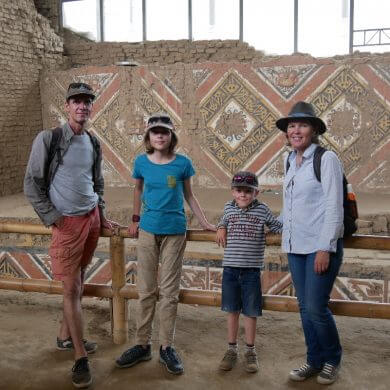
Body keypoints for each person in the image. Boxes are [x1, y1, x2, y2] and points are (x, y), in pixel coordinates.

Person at [24, 82, 118, 389]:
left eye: (87, 102)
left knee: (76, 284)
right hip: (67, 223)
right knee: (71, 288)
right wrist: (54, 219)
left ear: (91, 107)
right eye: (76, 101)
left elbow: (97, 182)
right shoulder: (49, 138)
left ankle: (65, 337)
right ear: (67, 106)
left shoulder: (92, 141)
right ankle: (80, 357)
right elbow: (32, 183)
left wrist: (101, 214)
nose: (82, 106)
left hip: (90, 220)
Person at [116, 113, 216, 375]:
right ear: (148, 136)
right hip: (148, 230)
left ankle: (166, 347)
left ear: (172, 136)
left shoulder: (182, 164)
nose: (159, 136)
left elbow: (189, 195)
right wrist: (135, 219)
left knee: (169, 292)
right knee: (146, 289)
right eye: (155, 132)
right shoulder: (141, 162)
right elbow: (137, 190)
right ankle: (142, 344)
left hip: (174, 231)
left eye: (165, 132)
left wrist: (204, 221)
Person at [276, 101, 344, 385]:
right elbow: (289, 205)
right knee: (304, 307)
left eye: (302, 125)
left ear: (314, 130)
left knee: (316, 307)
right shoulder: (289, 160)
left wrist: (325, 247)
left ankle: (332, 359)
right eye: (292, 126)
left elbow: (334, 205)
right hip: (295, 246)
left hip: (319, 248)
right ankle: (313, 359)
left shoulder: (326, 159)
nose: (295, 130)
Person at [215, 171, 282, 373]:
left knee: (251, 311)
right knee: (232, 310)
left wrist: (281, 229)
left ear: (256, 193)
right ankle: (231, 349)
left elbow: (277, 226)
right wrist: (220, 227)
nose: (243, 195)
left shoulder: (262, 210)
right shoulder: (228, 207)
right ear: (232, 191)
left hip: (251, 271)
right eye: (238, 191)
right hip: (230, 270)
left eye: (248, 191)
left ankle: (250, 351)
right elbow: (223, 221)